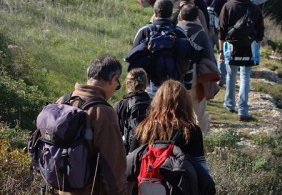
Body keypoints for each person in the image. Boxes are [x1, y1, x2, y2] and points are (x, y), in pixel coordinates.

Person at [127, 80, 215, 194]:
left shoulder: (141, 129)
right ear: (185, 103)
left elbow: (131, 165)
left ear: (157, 101)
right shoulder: (190, 131)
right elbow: (202, 169)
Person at [57, 54, 127, 195]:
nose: (115, 89)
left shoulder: (62, 101)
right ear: (113, 79)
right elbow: (113, 169)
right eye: (117, 84)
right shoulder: (104, 112)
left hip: (61, 188)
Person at [131, 0, 200, 97]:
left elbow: (134, 61)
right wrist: (188, 85)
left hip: (149, 88)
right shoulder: (179, 32)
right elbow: (188, 61)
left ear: (154, 13)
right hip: (174, 88)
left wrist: (134, 91)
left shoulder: (144, 31)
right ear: (172, 13)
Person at [219, 0, 265, 121]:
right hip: (248, 48)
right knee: (245, 77)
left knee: (231, 75)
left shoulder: (227, 6)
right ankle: (243, 109)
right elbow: (260, 32)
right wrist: (256, 46)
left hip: (231, 47)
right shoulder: (254, 8)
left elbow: (221, 31)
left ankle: (229, 104)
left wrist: (221, 50)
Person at [178, 4, 218, 133]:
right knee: (199, 111)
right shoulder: (201, 34)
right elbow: (209, 58)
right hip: (195, 77)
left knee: (179, 110)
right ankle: (203, 140)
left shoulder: (175, 30)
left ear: (180, 16)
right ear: (196, 18)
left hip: (177, 75)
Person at [114, 68, 151, 154]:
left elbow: (114, 133)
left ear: (127, 84)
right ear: (146, 84)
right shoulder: (154, 104)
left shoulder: (120, 105)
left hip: (126, 154)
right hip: (149, 154)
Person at [203, 0, 227, 87]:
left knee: (208, 54)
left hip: (207, 30)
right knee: (221, 53)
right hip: (220, 31)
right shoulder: (222, 0)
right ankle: (221, 79)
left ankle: (209, 77)